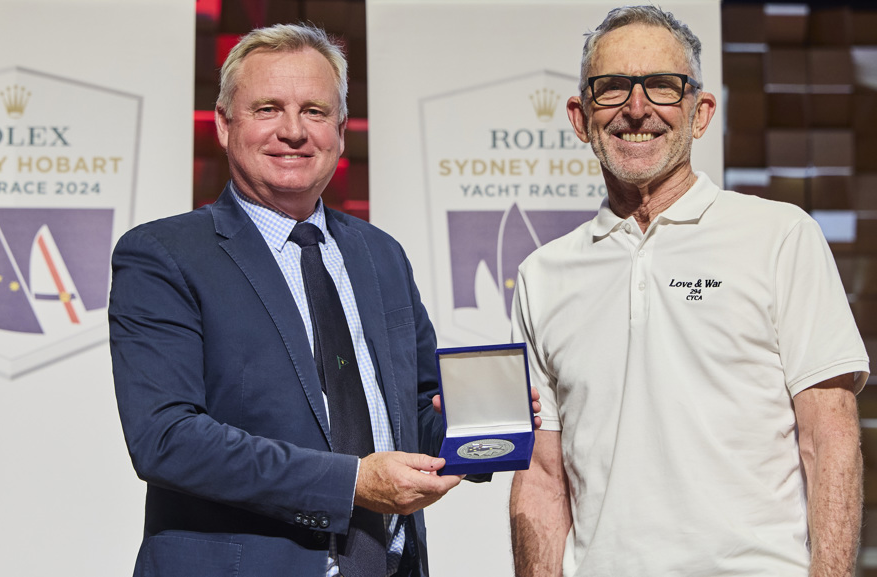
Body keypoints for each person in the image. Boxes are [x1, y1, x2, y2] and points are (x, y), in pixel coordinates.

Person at [509, 6, 868, 577]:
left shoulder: (781, 236)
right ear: (579, 118)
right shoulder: (541, 275)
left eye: (661, 86)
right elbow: (542, 477)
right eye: (612, 88)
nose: (636, 107)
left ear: (700, 113)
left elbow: (829, 439)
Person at [110, 23, 463, 577]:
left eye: (316, 112)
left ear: (342, 133)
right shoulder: (162, 255)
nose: (294, 131)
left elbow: (413, 415)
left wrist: (482, 425)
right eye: (268, 108)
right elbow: (167, 438)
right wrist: (352, 484)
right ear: (225, 126)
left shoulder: (381, 255)